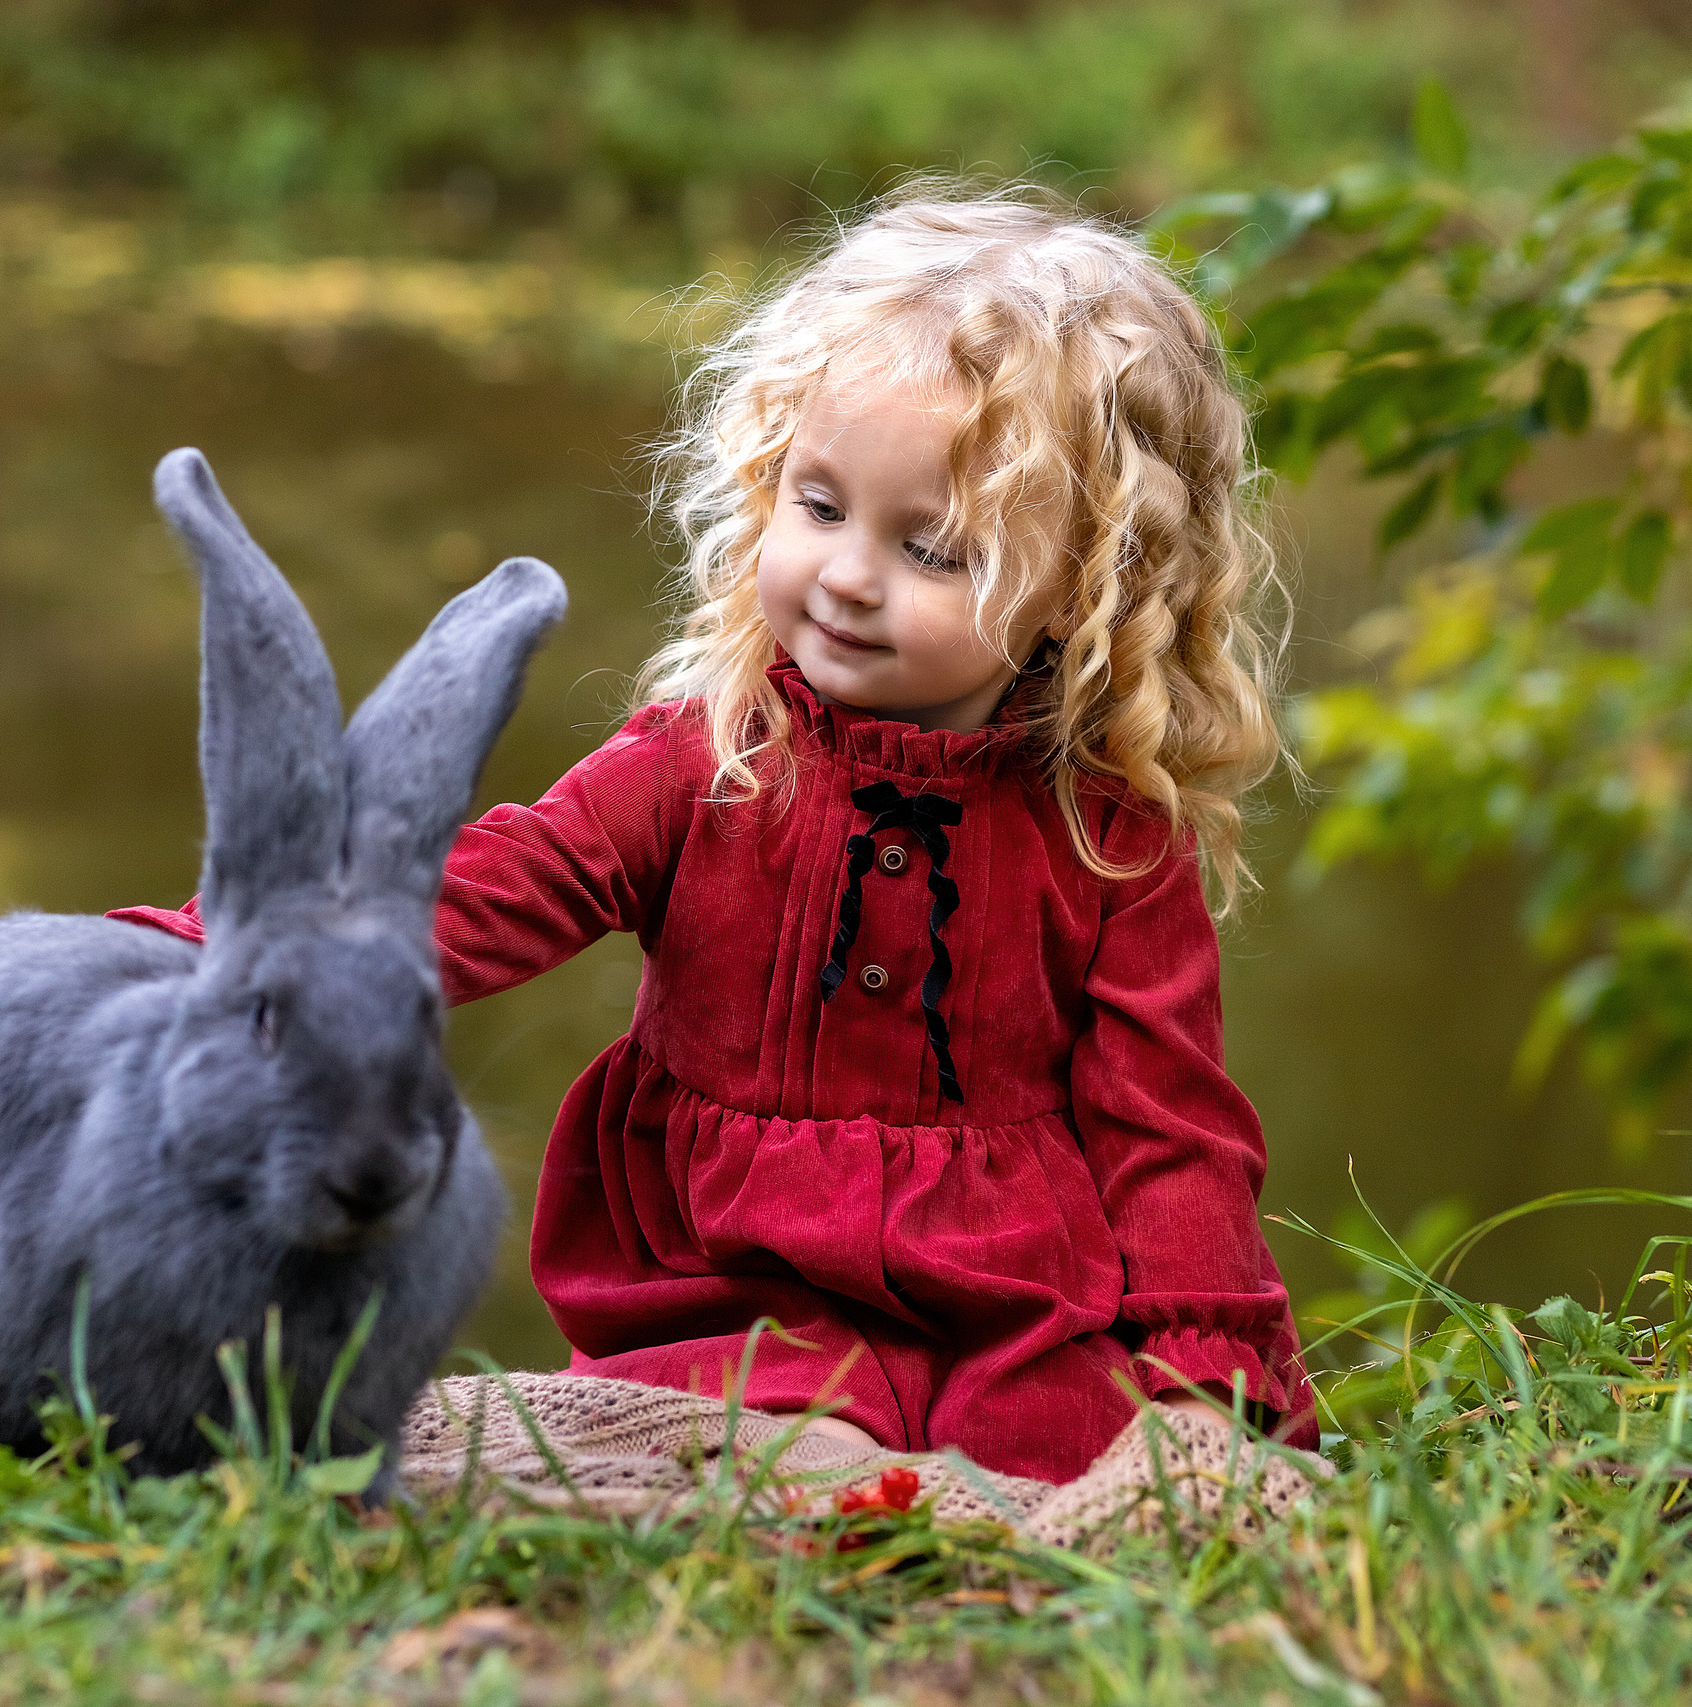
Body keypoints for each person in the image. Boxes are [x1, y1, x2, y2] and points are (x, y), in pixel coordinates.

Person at [115, 185, 1314, 1481]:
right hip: (729, 1297)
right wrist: (183, 968)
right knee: (749, 1456)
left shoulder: (1109, 838)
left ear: (1083, 589)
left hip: (1015, 1307)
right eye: (820, 505)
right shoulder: (707, 762)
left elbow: (1170, 1131)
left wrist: (1203, 1376)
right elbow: (480, 891)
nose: (847, 575)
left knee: (1094, 1464)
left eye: (932, 549)